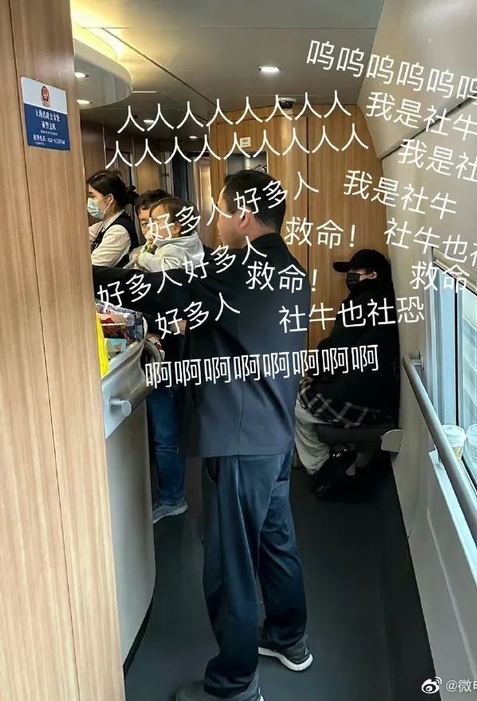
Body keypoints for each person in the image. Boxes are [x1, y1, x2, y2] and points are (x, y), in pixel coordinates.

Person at [92, 169, 312, 701]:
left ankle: (234, 684)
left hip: (238, 439)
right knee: (275, 541)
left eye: (218, 210)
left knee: (230, 563)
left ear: (243, 215)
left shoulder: (237, 271)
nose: (212, 221)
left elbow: (152, 290)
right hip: (273, 430)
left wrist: (78, 269)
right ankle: (290, 639)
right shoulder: (290, 268)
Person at [127, 196, 206, 524]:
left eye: (154, 222)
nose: (149, 230)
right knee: (168, 432)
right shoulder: (158, 252)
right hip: (167, 354)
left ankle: (173, 497)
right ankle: (173, 494)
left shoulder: (180, 254)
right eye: (145, 223)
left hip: (174, 356)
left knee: (167, 432)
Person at [294, 249, 400, 486]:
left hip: (357, 398)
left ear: (372, 274)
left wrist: (313, 372)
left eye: (355, 271)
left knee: (295, 401)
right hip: (379, 399)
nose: (349, 276)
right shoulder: (384, 300)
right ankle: (353, 458)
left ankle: (321, 467)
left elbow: (335, 350)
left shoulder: (362, 303)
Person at [88, 169, 140, 267]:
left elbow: (93, 265)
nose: (89, 201)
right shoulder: (106, 223)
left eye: (92, 196)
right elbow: (82, 236)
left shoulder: (118, 231)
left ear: (109, 199)